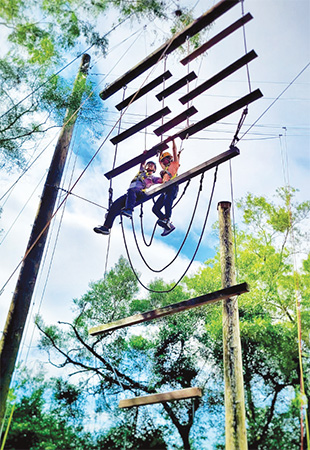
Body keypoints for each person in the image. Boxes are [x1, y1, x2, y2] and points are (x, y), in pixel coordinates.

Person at [94, 160, 162, 235]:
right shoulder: (141, 172)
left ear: (154, 169)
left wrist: (166, 174)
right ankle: (106, 227)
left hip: (140, 193)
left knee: (132, 190)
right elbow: (142, 162)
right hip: (130, 193)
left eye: (151, 165)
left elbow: (162, 180)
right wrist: (145, 155)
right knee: (115, 205)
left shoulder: (152, 178)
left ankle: (129, 210)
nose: (149, 166)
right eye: (148, 164)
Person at [152, 138, 180, 236]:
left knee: (168, 202)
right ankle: (166, 222)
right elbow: (160, 162)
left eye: (165, 160)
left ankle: (167, 219)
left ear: (170, 159)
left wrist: (173, 140)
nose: (164, 162)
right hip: (165, 189)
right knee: (155, 208)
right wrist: (161, 150)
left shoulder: (175, 164)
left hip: (172, 186)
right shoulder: (166, 168)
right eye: (163, 161)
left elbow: (174, 151)